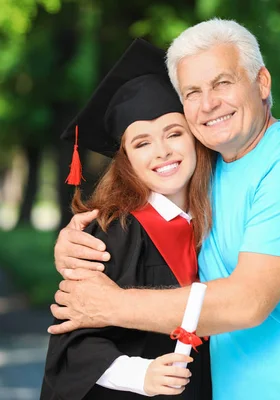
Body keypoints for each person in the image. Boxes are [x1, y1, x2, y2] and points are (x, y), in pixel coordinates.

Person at [50, 19, 280, 399]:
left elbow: (247, 302)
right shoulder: (208, 172)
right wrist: (74, 243)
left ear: (262, 83)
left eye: (222, 83)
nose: (209, 103)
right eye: (192, 92)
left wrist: (111, 305)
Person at [41, 39, 213, 399]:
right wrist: (142, 374)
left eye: (174, 133)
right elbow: (72, 342)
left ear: (195, 138)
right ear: (126, 160)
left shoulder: (216, 217)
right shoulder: (111, 234)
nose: (162, 151)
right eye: (142, 143)